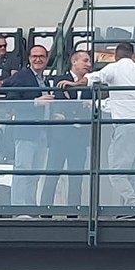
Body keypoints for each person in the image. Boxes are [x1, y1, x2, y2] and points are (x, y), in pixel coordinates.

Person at [58, 42, 135, 211]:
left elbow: (93, 77)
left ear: (116, 55)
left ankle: (134, 204)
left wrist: (74, 84)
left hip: (126, 126)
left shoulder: (115, 68)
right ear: (132, 55)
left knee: (116, 172)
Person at [3, 45, 55, 207]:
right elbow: (11, 101)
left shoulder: (43, 79)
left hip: (42, 133)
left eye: (41, 56)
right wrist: (35, 102)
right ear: (29, 59)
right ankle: (18, 208)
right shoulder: (22, 76)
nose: (38, 59)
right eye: (34, 56)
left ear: (46, 59)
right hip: (25, 132)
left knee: (35, 174)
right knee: (22, 170)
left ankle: (30, 207)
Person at [42, 50, 93, 207]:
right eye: (85, 60)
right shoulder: (59, 80)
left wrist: (70, 114)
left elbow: (91, 110)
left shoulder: (91, 84)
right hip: (60, 137)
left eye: (89, 61)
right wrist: (78, 112)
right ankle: (45, 212)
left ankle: (73, 214)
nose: (88, 64)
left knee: (77, 179)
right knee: (52, 175)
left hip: (79, 139)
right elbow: (57, 106)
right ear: (74, 61)